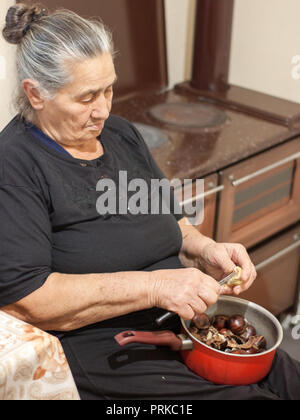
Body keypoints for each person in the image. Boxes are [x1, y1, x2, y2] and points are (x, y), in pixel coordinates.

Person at [0, 3, 299, 401]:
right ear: (35, 94)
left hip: (184, 324)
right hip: (114, 346)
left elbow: (173, 223)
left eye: (109, 89)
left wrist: (206, 249)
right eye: (87, 96)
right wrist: (156, 286)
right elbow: (29, 298)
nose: (103, 109)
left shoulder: (122, 134)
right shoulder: (16, 163)